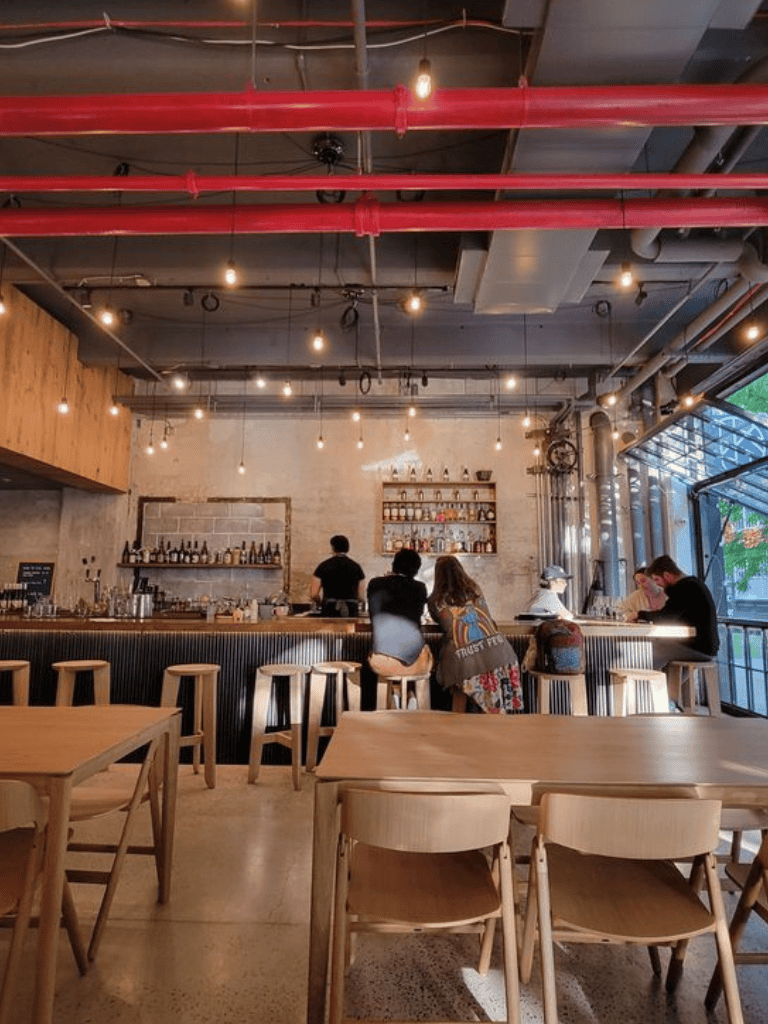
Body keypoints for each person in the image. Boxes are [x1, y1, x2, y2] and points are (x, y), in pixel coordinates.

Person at [427, 555, 523, 714]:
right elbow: (489, 621)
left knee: (455, 668)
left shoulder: (434, 601)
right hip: (501, 654)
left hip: (464, 661)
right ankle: (498, 725)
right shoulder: (476, 591)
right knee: (494, 701)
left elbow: (446, 626)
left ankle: (458, 727)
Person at [638, 554, 720, 670]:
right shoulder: (691, 585)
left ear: (667, 575)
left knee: (647, 651)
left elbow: (665, 618)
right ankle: (664, 686)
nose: (657, 584)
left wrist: (640, 615)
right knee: (657, 650)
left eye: (657, 579)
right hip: (704, 646)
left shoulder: (685, 588)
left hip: (698, 648)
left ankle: (643, 684)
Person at [367, 548, 432, 677]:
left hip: (381, 660)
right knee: (426, 652)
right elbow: (418, 613)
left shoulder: (375, 583)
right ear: (416, 570)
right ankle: (410, 694)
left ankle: (395, 694)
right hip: (414, 662)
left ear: (394, 565)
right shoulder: (420, 588)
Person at [310, 535, 365, 618]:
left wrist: (319, 602)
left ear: (333, 548)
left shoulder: (323, 566)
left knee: (331, 630)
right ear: (347, 548)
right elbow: (361, 596)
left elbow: (313, 594)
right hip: (351, 610)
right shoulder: (356, 567)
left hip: (329, 609)